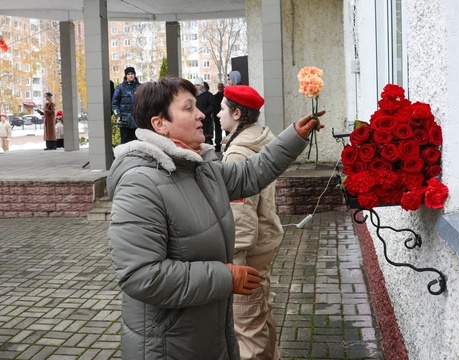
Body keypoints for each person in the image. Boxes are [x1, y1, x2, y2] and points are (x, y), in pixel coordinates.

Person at [106, 77, 324, 360]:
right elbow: (140, 275)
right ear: (160, 124)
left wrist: (294, 136)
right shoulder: (140, 184)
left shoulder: (199, 168)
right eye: (188, 108)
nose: (201, 114)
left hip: (204, 330)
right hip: (168, 343)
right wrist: (226, 276)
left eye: (197, 106)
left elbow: (250, 173)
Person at [218, 85, 283, 360]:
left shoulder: (238, 154)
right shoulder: (259, 139)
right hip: (263, 244)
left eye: (222, 109)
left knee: (246, 329)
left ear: (236, 113)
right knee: (260, 314)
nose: (217, 115)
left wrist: (235, 262)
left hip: (247, 254)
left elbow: (241, 218)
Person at [112, 67, 141, 144]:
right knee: (125, 143)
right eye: (128, 74)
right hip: (124, 121)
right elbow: (115, 104)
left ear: (134, 75)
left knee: (137, 143)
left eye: (132, 74)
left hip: (137, 121)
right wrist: (117, 115)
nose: (130, 76)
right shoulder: (120, 88)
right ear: (126, 76)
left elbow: (146, 103)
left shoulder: (141, 87)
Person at [193, 77, 214, 145]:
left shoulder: (208, 95)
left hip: (206, 120)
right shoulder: (193, 96)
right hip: (196, 120)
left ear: (202, 86)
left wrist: (204, 113)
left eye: (198, 85)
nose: (196, 87)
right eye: (195, 85)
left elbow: (212, 106)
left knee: (207, 138)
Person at [212, 82, 225, 152]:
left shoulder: (225, 96)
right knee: (217, 131)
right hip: (217, 116)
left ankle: (228, 144)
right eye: (219, 87)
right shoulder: (215, 97)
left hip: (225, 116)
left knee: (227, 131)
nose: (220, 89)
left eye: (221, 87)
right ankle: (218, 145)